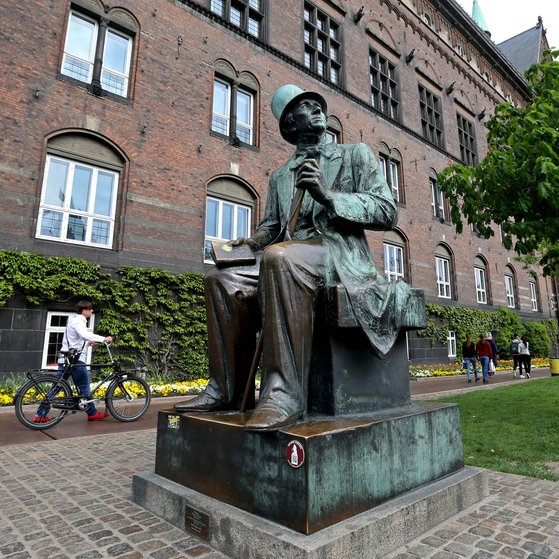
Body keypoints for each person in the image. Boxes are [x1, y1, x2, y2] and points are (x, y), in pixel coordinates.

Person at [175, 84, 419, 431]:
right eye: (306, 106)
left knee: (281, 258)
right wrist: (248, 243)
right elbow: (272, 229)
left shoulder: (355, 155)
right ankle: (225, 390)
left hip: (338, 253)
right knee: (221, 281)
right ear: (290, 124)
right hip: (289, 253)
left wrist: (329, 195)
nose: (317, 109)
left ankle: (283, 395)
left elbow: (386, 211)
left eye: (318, 105)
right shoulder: (280, 177)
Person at [34, 300, 113, 423]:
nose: (92, 311)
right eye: (90, 309)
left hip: (67, 359)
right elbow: (84, 334)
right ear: (84, 310)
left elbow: (75, 340)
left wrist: (88, 344)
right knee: (84, 387)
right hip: (75, 360)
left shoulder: (75, 321)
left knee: (57, 386)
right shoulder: (78, 321)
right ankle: (92, 413)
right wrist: (104, 339)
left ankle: (40, 414)